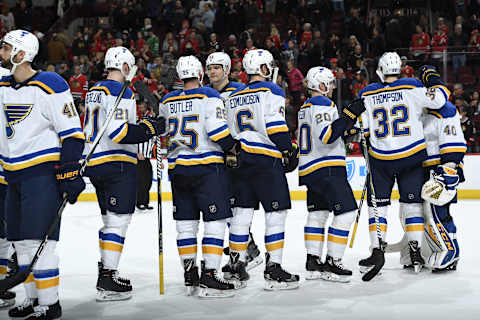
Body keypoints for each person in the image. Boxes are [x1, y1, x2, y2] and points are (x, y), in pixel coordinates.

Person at [0, 30, 85, 320]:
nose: (2, 50)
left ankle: (50, 304)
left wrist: (69, 172)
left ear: (21, 55)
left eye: (7, 47)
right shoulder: (3, 84)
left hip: (41, 175)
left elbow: (73, 134)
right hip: (13, 175)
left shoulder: (50, 84)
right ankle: (32, 299)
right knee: (22, 242)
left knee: (42, 243)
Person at [83, 46, 165, 301]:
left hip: (95, 162)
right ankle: (107, 277)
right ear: (126, 67)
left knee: (110, 220)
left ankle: (106, 269)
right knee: (117, 222)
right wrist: (149, 128)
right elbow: (119, 133)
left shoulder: (95, 89)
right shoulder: (121, 90)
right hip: (116, 162)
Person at [357, 53, 451, 275]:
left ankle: (377, 250)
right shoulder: (413, 86)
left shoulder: (367, 93)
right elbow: (440, 99)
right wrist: (434, 80)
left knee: (377, 206)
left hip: (380, 159)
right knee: (412, 206)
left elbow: (364, 129)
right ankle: (415, 251)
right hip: (411, 157)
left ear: (380, 68)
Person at [158, 55, 237, 298]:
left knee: (186, 225)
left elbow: (162, 134)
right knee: (214, 222)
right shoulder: (208, 96)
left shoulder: (167, 101)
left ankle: (190, 273)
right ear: (200, 73)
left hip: (179, 168)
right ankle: (210, 276)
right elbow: (217, 132)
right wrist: (235, 148)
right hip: (206, 168)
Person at [224, 49, 300, 290]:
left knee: (240, 215)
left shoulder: (233, 96)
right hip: (266, 161)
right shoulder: (272, 90)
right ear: (265, 69)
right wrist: (288, 149)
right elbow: (276, 127)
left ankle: (236, 265)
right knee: (275, 215)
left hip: (240, 161)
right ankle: (273, 268)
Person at [298, 67, 359, 283]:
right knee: (347, 212)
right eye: (330, 83)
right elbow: (327, 135)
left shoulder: (305, 107)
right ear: (321, 86)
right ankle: (334, 261)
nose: (333, 87)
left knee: (318, 214)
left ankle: (313, 261)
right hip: (327, 168)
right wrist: (349, 115)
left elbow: (325, 133)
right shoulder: (323, 103)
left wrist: (346, 130)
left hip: (310, 168)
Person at [205, 52, 263, 272]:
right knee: (226, 206)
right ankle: (248, 248)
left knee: (236, 206)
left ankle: (246, 249)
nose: (212, 72)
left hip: (235, 153)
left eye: (217, 67)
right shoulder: (206, 94)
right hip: (214, 154)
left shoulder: (239, 90)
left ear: (227, 70)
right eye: (210, 68)